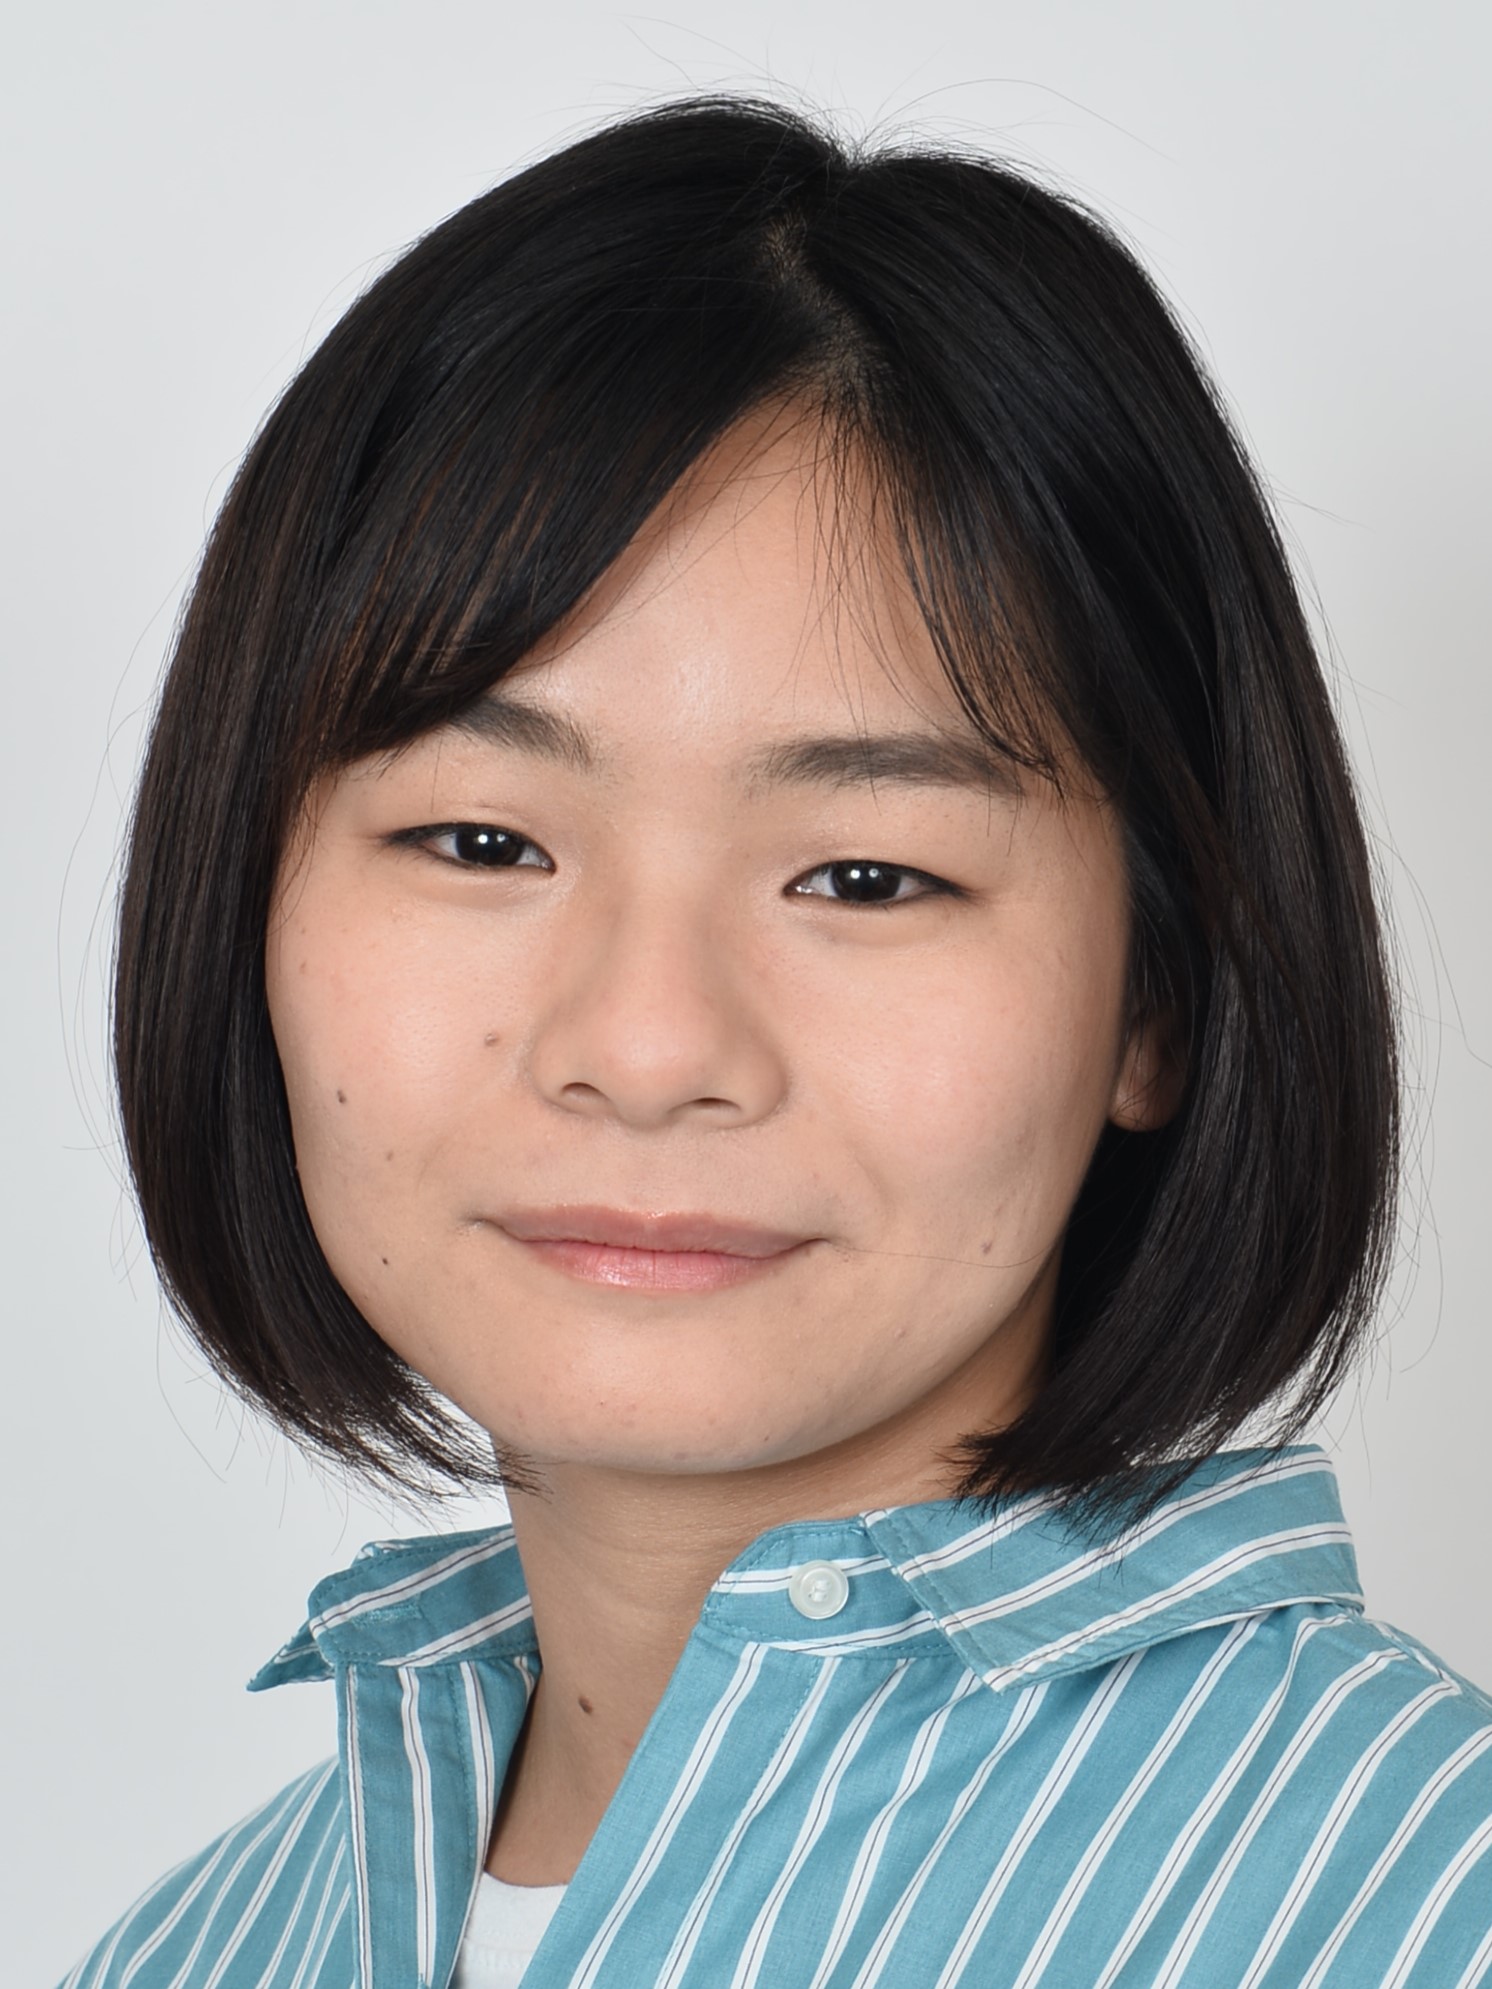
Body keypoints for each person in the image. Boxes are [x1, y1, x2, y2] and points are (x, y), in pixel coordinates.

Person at [63, 94, 1491, 1989]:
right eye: (482, 841)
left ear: (1157, 993)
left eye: (866, 875)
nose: (650, 1046)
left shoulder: (1424, 1904)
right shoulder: (189, 1954)